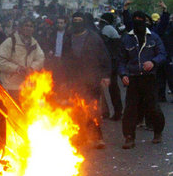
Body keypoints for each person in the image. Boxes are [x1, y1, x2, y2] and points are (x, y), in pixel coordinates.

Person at [61, 12, 111, 149]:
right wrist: (63, 80)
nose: (77, 22)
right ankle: (81, 135)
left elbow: (104, 57)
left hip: (92, 79)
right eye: (75, 20)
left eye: (79, 20)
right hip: (74, 81)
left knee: (93, 109)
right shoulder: (68, 39)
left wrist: (106, 75)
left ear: (84, 22)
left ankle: (98, 137)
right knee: (77, 109)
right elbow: (64, 61)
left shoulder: (94, 38)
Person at [118, 11, 167, 149]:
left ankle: (157, 132)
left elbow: (162, 54)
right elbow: (121, 60)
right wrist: (123, 75)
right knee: (130, 109)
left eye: (141, 19)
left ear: (145, 21)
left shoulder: (153, 37)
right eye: (135, 19)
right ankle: (129, 137)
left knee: (153, 107)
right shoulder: (127, 39)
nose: (138, 21)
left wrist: (153, 62)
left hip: (149, 78)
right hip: (133, 78)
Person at [0, 18, 45, 102]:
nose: (29, 28)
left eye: (31, 26)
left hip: (28, 86)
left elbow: (40, 58)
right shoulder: (10, 42)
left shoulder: (34, 43)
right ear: (21, 27)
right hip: (11, 86)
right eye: (26, 25)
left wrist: (32, 68)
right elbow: (0, 61)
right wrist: (17, 69)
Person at [98, 13, 123, 120]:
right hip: (113, 61)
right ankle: (110, 111)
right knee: (112, 88)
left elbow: (103, 45)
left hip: (110, 63)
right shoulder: (110, 28)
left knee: (112, 88)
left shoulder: (107, 29)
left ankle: (116, 112)